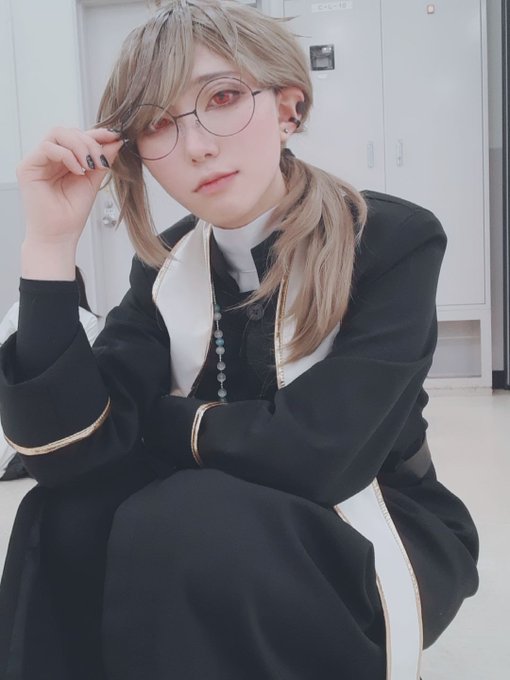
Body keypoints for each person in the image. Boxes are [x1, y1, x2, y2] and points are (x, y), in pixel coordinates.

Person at [0, 1, 479, 678]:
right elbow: (69, 453)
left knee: (187, 516)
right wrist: (48, 247)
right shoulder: (165, 268)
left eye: (222, 98)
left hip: (381, 513)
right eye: (157, 125)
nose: (196, 146)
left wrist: (165, 422)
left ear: (288, 107)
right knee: (60, 515)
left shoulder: (390, 239)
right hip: (218, 519)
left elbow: (324, 452)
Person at [0, 268, 100, 481]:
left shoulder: (86, 319)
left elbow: (84, 368)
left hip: (55, 397)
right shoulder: (19, 310)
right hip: (18, 388)